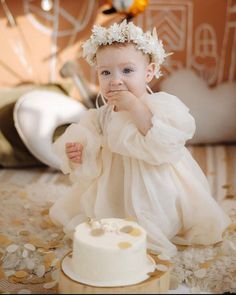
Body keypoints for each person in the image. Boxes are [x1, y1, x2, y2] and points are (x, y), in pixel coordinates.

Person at [49, 20, 231, 257]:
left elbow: (159, 144)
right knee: (108, 218)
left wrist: (134, 106)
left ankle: (159, 222)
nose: (116, 80)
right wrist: (80, 152)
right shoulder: (100, 115)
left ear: (149, 72)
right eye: (106, 72)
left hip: (153, 181)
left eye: (127, 70)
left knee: (155, 218)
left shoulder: (158, 107)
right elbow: (90, 143)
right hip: (114, 183)